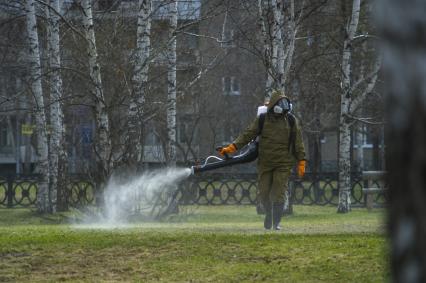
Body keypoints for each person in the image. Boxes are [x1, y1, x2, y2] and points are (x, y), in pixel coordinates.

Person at [219, 90, 306, 230]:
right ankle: (269, 214)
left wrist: (301, 161)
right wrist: (232, 147)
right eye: (281, 103)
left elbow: (298, 142)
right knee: (263, 193)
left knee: (279, 192)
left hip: (283, 164)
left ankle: (276, 223)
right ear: (273, 105)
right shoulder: (262, 119)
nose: (284, 107)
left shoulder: (291, 120)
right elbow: (247, 135)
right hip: (265, 162)